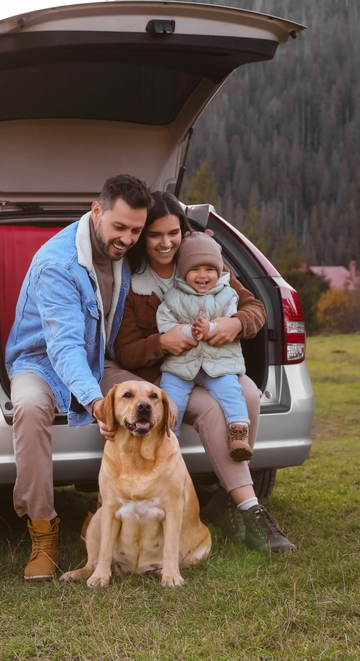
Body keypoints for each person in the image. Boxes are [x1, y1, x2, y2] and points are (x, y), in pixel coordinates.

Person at [113, 191, 295, 553]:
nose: (166, 243)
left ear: (184, 231)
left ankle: (227, 499)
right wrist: (162, 343)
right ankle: (246, 505)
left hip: (214, 364)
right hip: (167, 374)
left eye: (173, 233)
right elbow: (125, 351)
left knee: (249, 395)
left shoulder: (205, 265)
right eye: (154, 235)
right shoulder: (134, 283)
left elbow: (255, 308)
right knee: (212, 409)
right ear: (141, 236)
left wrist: (236, 323)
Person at [4, 174, 153, 581]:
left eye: (136, 230)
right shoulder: (58, 263)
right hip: (39, 360)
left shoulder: (125, 253)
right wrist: (96, 402)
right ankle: (42, 532)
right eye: (119, 227)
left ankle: (135, 510)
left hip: (94, 357)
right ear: (96, 211)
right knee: (31, 408)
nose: (126, 238)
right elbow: (63, 347)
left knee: (147, 397)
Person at [156, 229, 252, 461]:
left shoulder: (228, 295)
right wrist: (187, 331)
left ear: (218, 272)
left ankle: (238, 432)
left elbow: (231, 321)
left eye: (209, 269)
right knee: (171, 398)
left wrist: (212, 329)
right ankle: (167, 440)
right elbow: (164, 324)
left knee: (231, 391)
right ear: (183, 272)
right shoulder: (173, 296)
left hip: (218, 362)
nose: (203, 275)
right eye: (195, 269)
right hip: (181, 364)